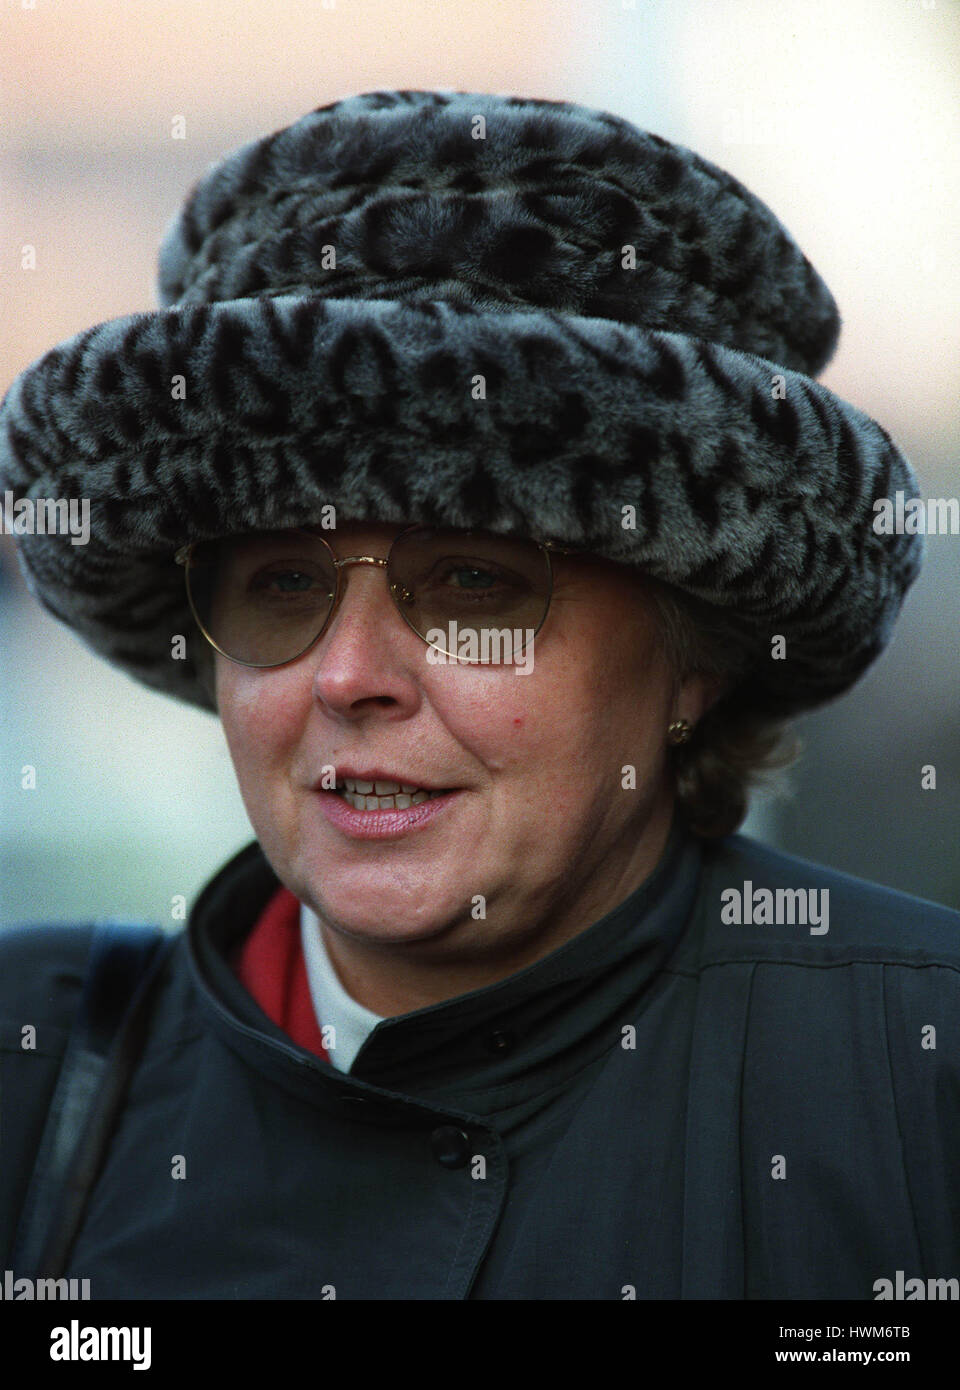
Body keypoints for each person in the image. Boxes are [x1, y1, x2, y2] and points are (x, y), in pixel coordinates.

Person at [0, 88, 957, 1302]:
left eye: (473, 583)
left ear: (693, 656)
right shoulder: (36, 1073)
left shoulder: (916, 1082)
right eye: (283, 583)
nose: (349, 676)